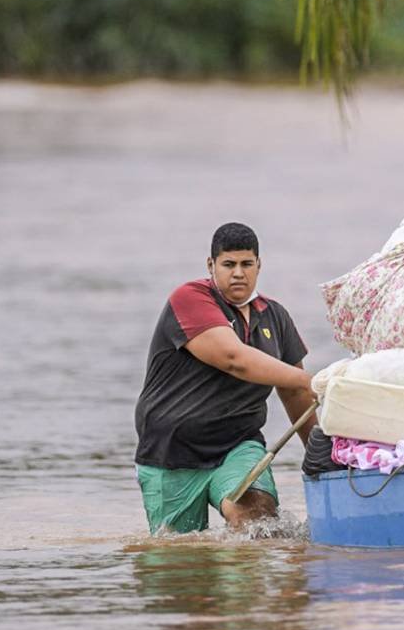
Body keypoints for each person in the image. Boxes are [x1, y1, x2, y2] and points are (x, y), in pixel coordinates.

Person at [134, 222, 316, 534]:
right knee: (180, 562)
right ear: (211, 265)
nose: (238, 273)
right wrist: (316, 380)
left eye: (247, 264)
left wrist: (320, 454)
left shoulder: (276, 316)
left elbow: (295, 391)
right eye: (228, 264)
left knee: (258, 523)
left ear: (259, 265)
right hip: (171, 450)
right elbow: (235, 360)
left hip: (238, 445)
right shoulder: (189, 299)